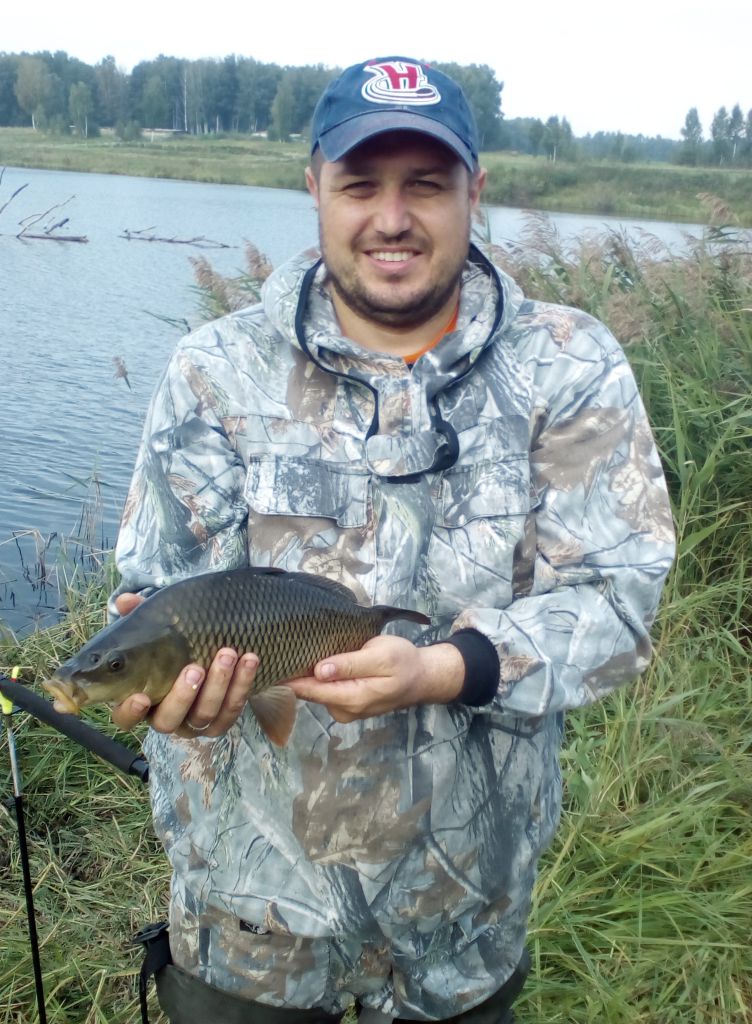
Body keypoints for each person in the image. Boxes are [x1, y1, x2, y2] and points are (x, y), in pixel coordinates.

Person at [110, 57, 675, 1023]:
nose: (392, 217)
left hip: (464, 924)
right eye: (360, 184)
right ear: (314, 189)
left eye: (426, 184)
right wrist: (173, 696)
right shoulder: (214, 370)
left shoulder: (568, 366)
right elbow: (157, 592)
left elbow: (620, 606)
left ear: (474, 192)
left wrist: (448, 669)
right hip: (248, 919)